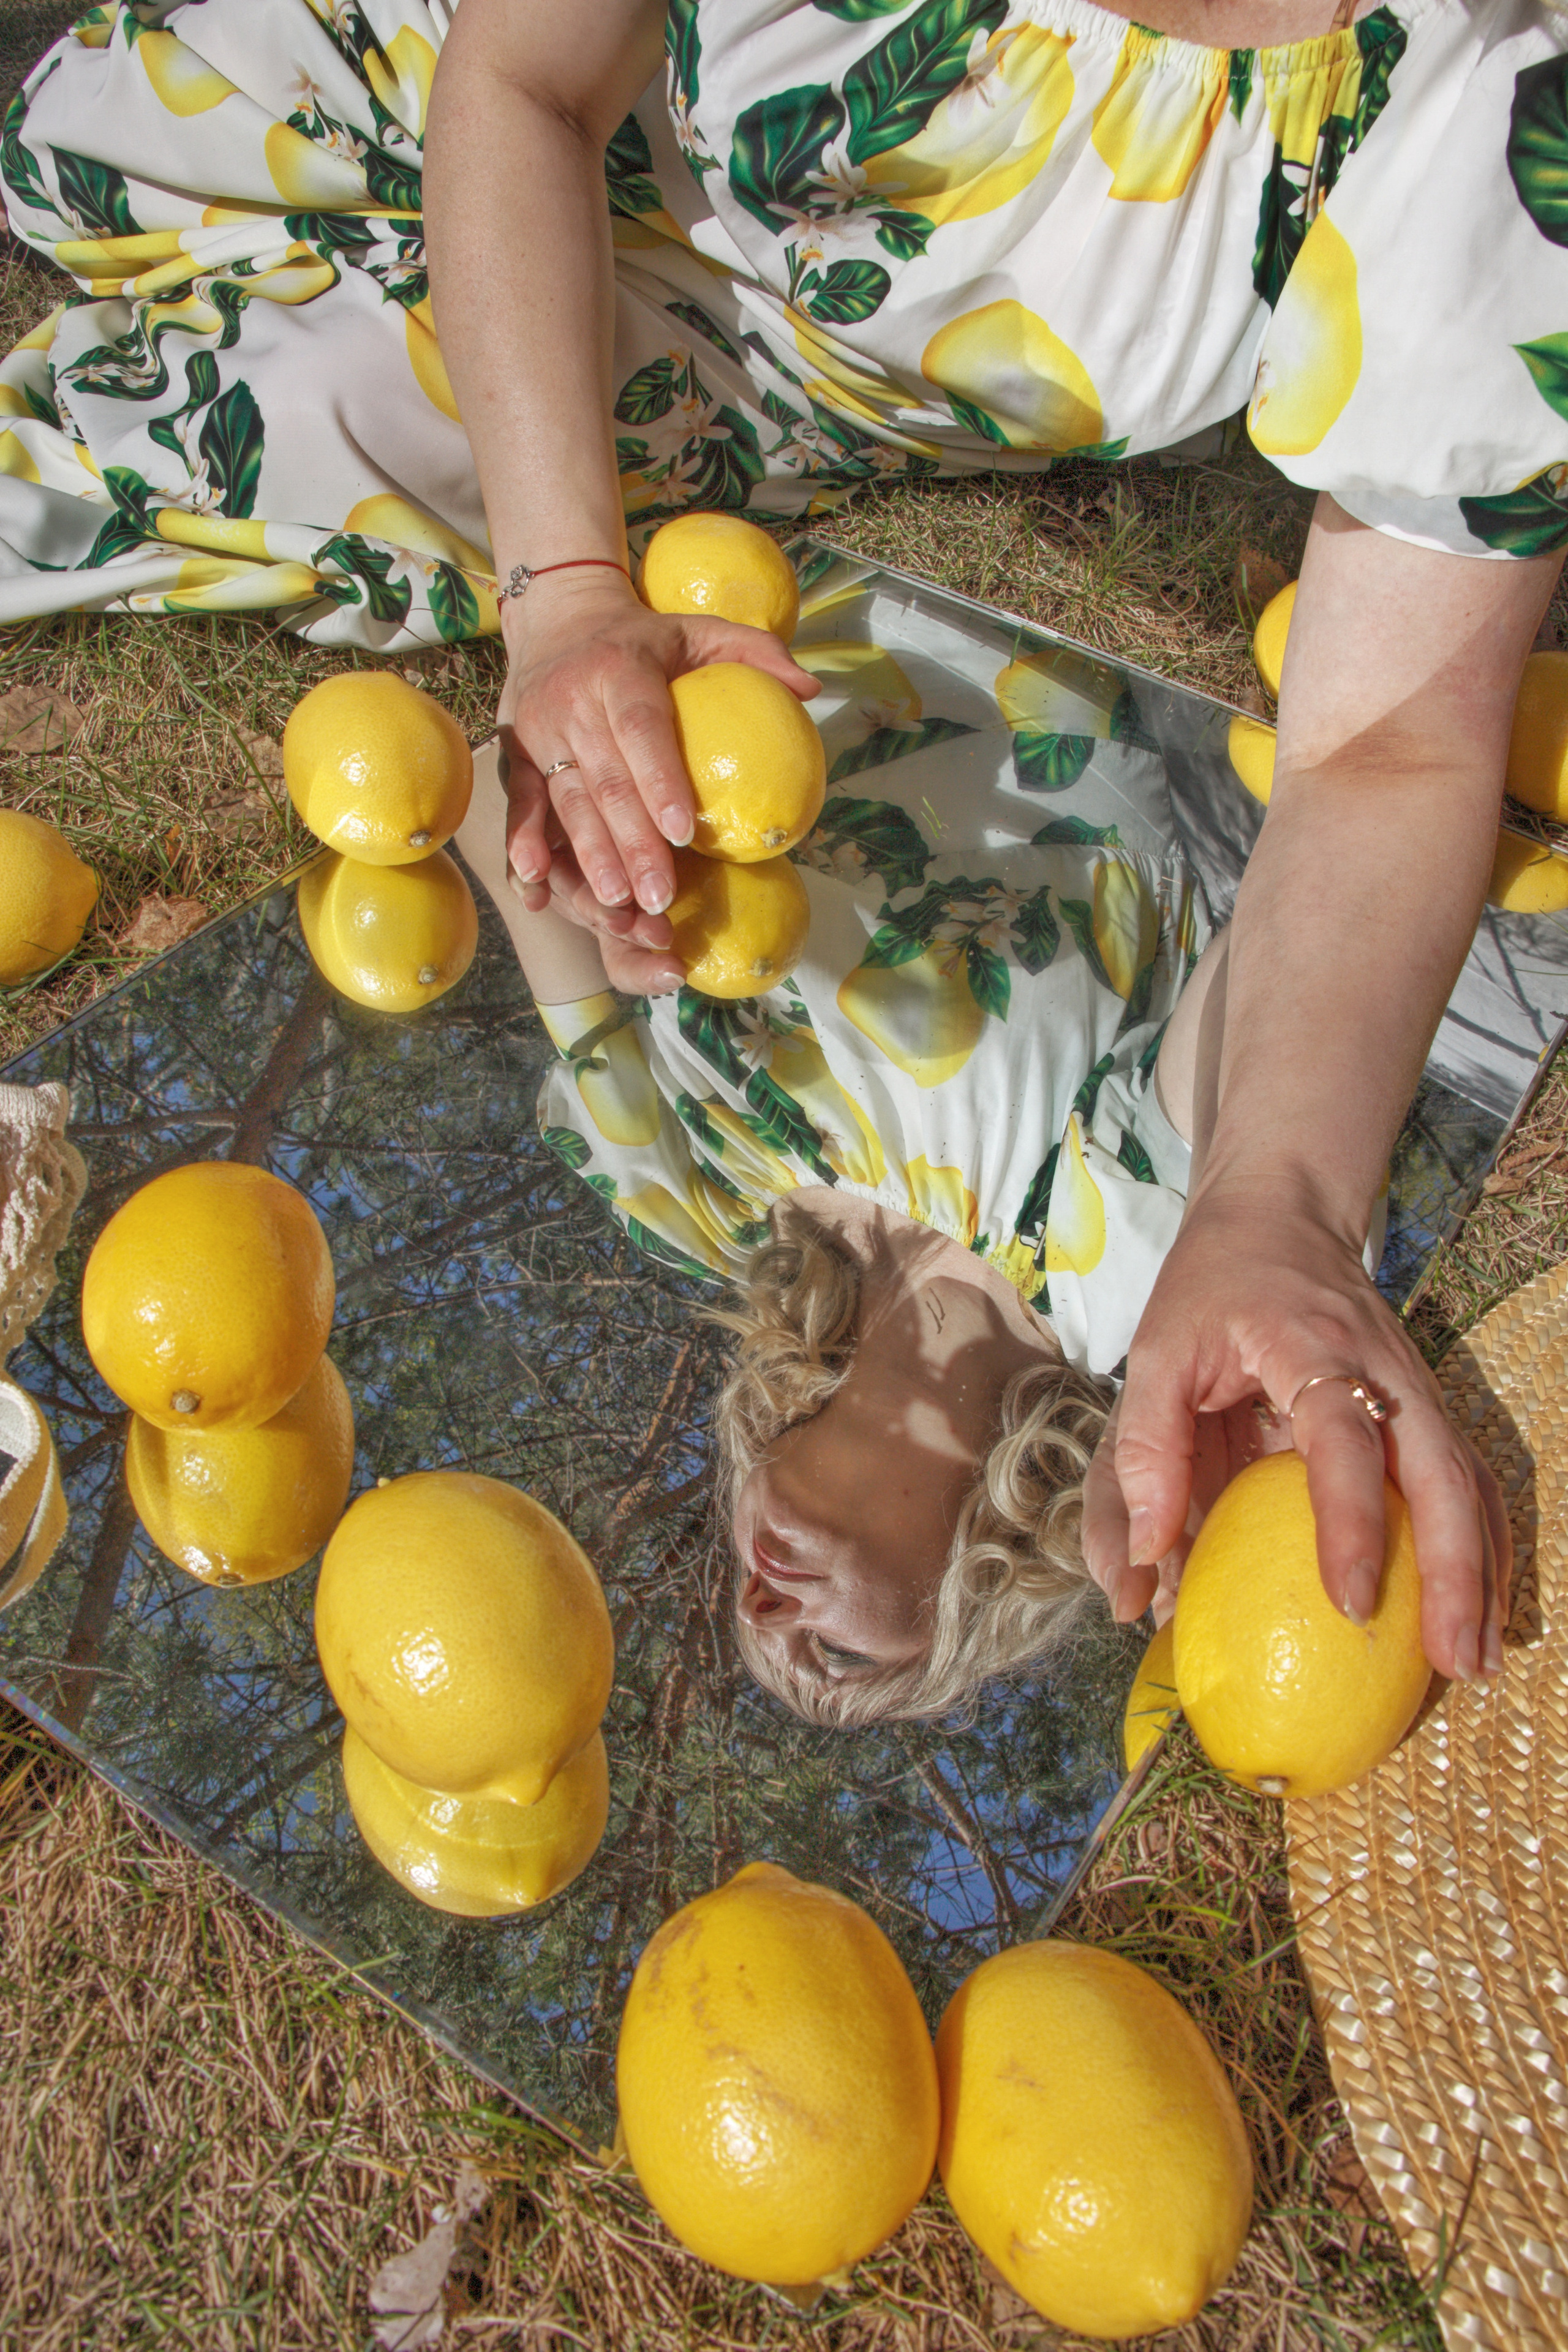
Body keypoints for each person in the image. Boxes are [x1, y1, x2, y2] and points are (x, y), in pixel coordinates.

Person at [0, 0, 1533, 1686]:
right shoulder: (1127, 1272)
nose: (777, 1638)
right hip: (561, 109)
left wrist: (576, 761)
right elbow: (521, 79)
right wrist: (572, 584)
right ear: (978, 1613)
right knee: (94, 150)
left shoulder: (697, 1207)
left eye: (768, 1672)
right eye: (852, 1673)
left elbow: (528, 834)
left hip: (758, 416)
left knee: (200, 433)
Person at [456, 698, 1229, 1725]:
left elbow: (488, 799)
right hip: (1008, 648)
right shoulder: (1127, 1282)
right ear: (981, 1590)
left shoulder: (695, 1208)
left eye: (742, 1614)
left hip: (710, 661)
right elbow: (1283, 931)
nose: (767, 1609)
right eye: (837, 1655)